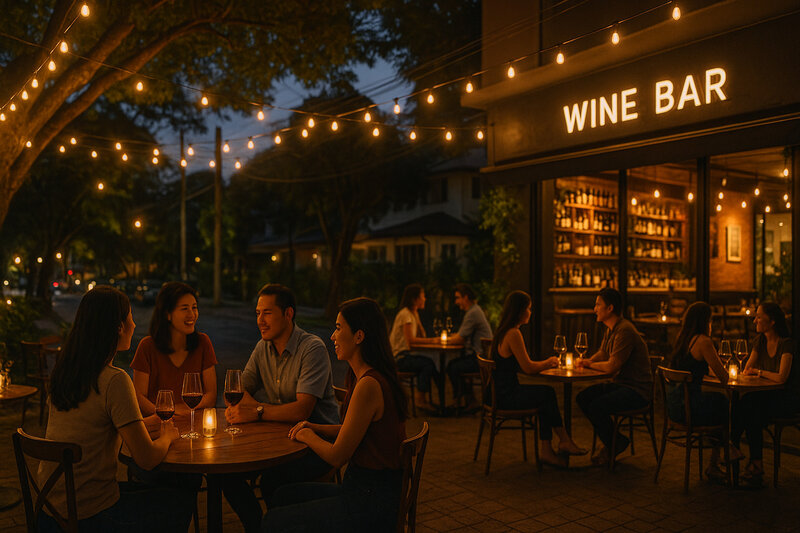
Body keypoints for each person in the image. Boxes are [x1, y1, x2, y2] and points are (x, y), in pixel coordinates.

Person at [37, 286, 194, 532]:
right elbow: (147, 459)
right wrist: (168, 436)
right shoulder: (115, 380)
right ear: (119, 327)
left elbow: (94, 426)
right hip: (90, 517)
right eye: (130, 317)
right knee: (181, 497)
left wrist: (149, 423)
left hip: (49, 513)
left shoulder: (66, 373)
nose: (134, 324)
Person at [262, 297, 407, 532]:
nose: (332, 336)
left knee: (274, 521)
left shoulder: (369, 385)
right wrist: (315, 427)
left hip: (371, 502)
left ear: (359, 336)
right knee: (281, 494)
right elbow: (354, 430)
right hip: (363, 490)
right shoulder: (364, 376)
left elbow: (337, 456)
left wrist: (307, 436)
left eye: (338, 328)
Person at [222, 283, 340, 532]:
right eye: (257, 313)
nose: (260, 321)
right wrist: (251, 408)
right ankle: (257, 526)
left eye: (267, 313)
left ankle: (279, 525)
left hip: (316, 445)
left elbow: (301, 411)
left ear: (288, 314)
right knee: (225, 472)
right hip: (277, 440)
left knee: (273, 481)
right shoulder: (262, 347)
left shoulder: (312, 348)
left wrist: (257, 412)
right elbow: (237, 391)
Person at [490, 291, 586, 468]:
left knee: (543, 396)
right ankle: (562, 441)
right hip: (507, 397)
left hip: (499, 394)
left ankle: (550, 450)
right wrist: (549, 362)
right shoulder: (513, 334)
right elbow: (528, 368)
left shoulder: (503, 332)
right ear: (520, 311)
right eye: (528, 308)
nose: (530, 312)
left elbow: (525, 366)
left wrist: (543, 364)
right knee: (546, 394)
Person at [576, 288, 653, 466]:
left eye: (598, 305)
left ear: (610, 308)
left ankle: (615, 443)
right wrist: (587, 361)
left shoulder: (625, 330)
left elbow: (612, 367)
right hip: (622, 385)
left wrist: (588, 365)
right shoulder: (612, 328)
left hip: (637, 391)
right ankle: (615, 441)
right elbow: (603, 353)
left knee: (596, 406)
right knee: (583, 397)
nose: (594, 309)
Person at [130, 281, 217, 433]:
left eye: (194, 307)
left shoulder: (203, 343)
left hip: (195, 428)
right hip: (159, 428)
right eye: (184, 308)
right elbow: (139, 397)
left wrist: (187, 410)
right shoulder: (147, 346)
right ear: (167, 314)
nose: (192, 314)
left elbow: (211, 395)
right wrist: (168, 413)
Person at [732, 302, 798, 487]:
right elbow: (747, 369)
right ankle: (750, 461)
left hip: (786, 399)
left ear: (772, 321)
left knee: (750, 408)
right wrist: (754, 371)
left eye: (759, 317)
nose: (755, 320)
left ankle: (735, 450)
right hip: (766, 397)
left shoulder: (786, 344)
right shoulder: (760, 341)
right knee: (743, 403)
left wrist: (759, 372)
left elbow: (782, 378)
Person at [666, 301, 729, 480]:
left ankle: (725, 448)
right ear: (705, 321)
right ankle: (722, 454)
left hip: (674, 406)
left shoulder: (683, 339)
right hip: (689, 409)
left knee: (717, 402)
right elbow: (724, 377)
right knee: (725, 403)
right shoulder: (704, 341)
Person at [389, 283, 440, 411]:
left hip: (405, 356)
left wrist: (416, 315)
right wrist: (433, 341)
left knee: (431, 364)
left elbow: (422, 335)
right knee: (427, 365)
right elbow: (411, 342)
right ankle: (420, 400)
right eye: (423, 296)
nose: (425, 299)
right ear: (414, 299)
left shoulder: (411, 314)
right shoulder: (405, 315)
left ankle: (436, 400)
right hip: (399, 358)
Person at [446, 283, 493, 408]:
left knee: (452, 367)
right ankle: (468, 399)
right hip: (482, 356)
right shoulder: (474, 310)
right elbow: (461, 335)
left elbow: (459, 339)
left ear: (465, 297)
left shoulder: (473, 313)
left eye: (457, 298)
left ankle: (461, 400)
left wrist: (443, 339)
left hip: (480, 359)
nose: (456, 302)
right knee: (454, 365)